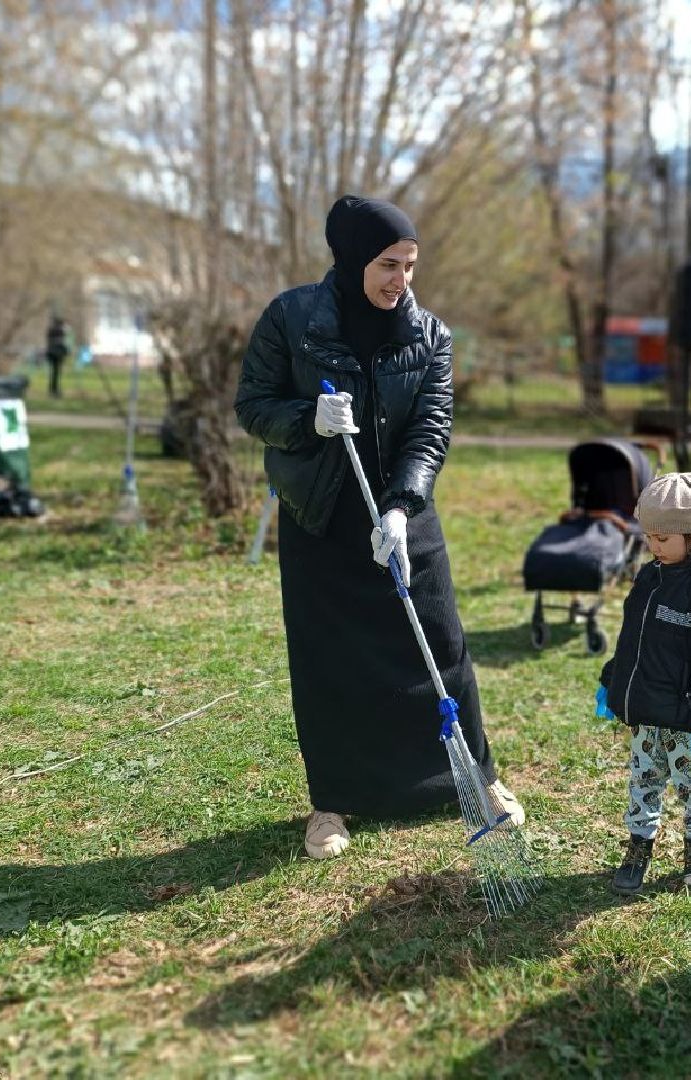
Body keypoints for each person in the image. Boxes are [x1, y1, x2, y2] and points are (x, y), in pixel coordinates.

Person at [234, 194, 522, 860]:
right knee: (328, 661)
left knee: (444, 644)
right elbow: (252, 406)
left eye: (411, 266)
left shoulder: (430, 337)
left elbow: (430, 428)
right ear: (354, 257)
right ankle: (332, 805)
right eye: (389, 264)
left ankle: (480, 779)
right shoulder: (292, 318)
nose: (401, 280)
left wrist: (401, 505)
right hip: (322, 517)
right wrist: (307, 418)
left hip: (400, 514)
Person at [594, 472, 691, 899]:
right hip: (648, 710)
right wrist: (612, 683)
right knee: (642, 780)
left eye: (664, 538)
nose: (654, 546)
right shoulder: (650, 577)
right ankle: (639, 846)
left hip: (689, 717)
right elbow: (634, 640)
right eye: (649, 536)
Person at [46, 314, 70, 399]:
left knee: (53, 373)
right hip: (57, 355)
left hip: (52, 354)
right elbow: (62, 343)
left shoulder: (51, 330)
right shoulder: (60, 331)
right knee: (56, 373)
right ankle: (55, 390)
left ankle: (52, 389)